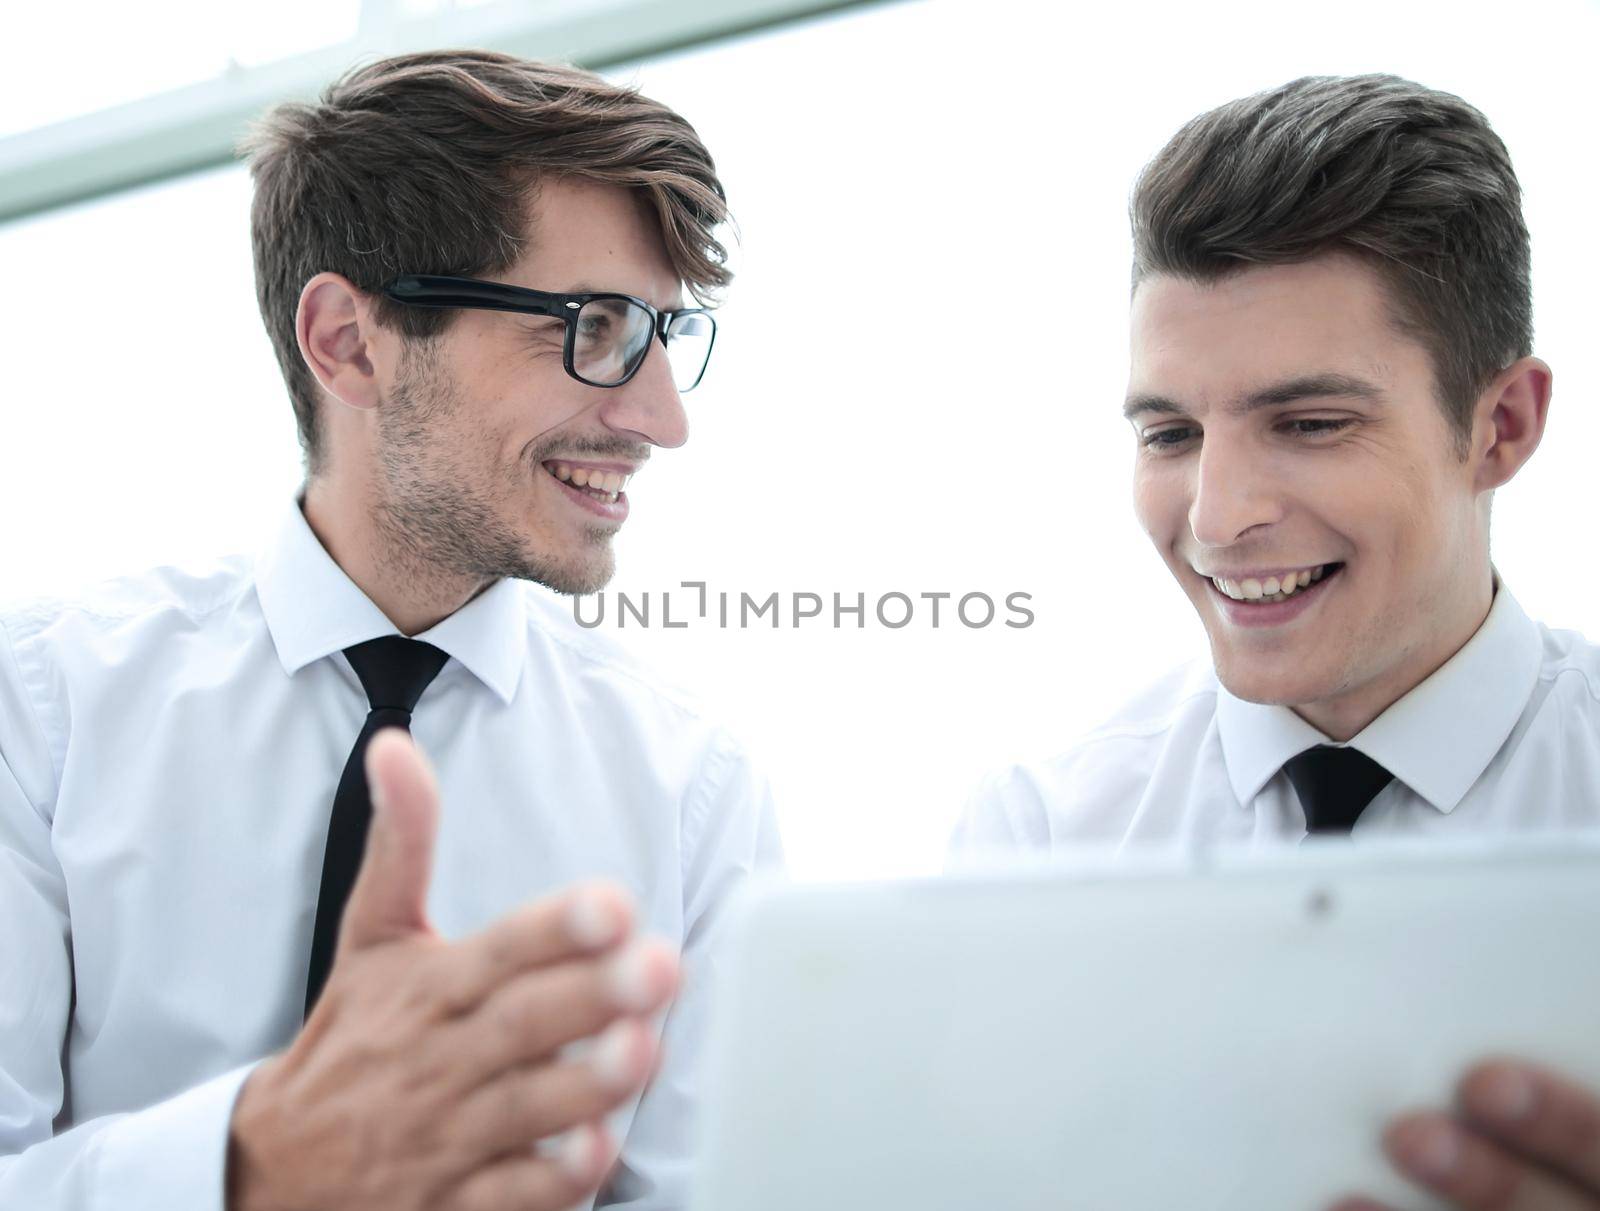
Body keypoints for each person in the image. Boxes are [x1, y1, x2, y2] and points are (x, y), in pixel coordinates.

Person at [0, 50, 781, 1211]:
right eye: (597, 326)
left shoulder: (688, 791)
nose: (662, 419)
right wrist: (251, 1160)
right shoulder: (42, 711)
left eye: (668, 333)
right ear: (349, 344)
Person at [950, 74, 1600, 1210]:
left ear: (1499, 426)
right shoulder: (1039, 845)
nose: (1215, 515)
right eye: (1170, 431)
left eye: (1306, 424)